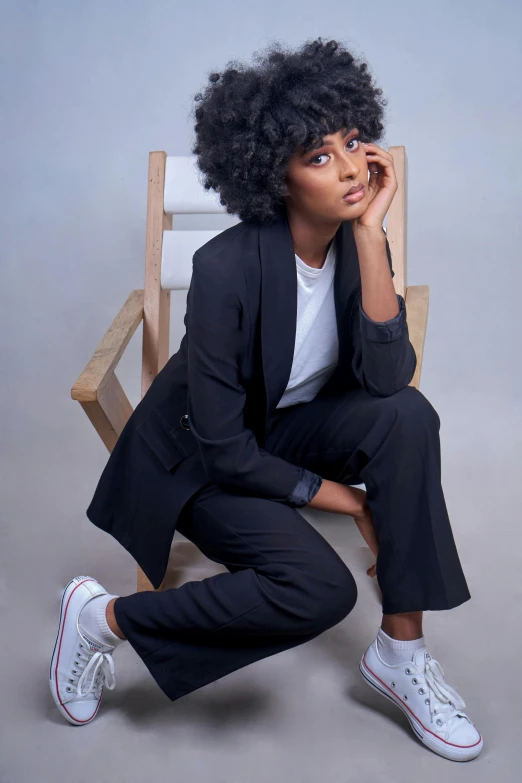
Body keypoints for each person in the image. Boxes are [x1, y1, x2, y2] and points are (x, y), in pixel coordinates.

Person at [50, 37, 483, 761]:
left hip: (282, 430)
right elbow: (223, 447)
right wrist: (355, 501)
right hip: (202, 459)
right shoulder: (225, 268)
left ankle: (402, 655)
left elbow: (386, 376)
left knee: (410, 414)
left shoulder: (355, 241)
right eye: (317, 156)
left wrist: (373, 234)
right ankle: (104, 619)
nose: (348, 168)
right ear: (272, 175)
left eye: (351, 142)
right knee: (319, 591)